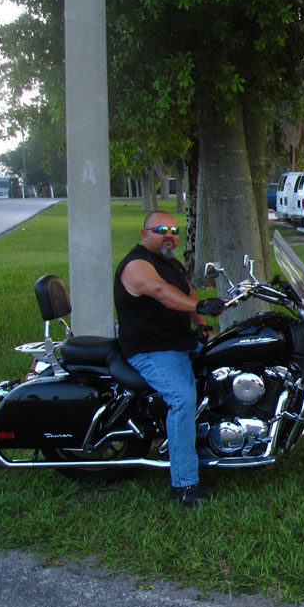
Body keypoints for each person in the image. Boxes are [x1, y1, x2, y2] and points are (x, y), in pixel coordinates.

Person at [114, 211, 226, 507]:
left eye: (174, 231)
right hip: (152, 349)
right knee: (182, 399)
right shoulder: (137, 264)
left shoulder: (171, 263)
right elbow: (161, 292)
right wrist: (200, 306)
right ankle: (184, 485)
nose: (169, 235)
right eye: (161, 229)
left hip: (179, 342)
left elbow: (187, 291)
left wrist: (201, 325)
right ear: (144, 234)